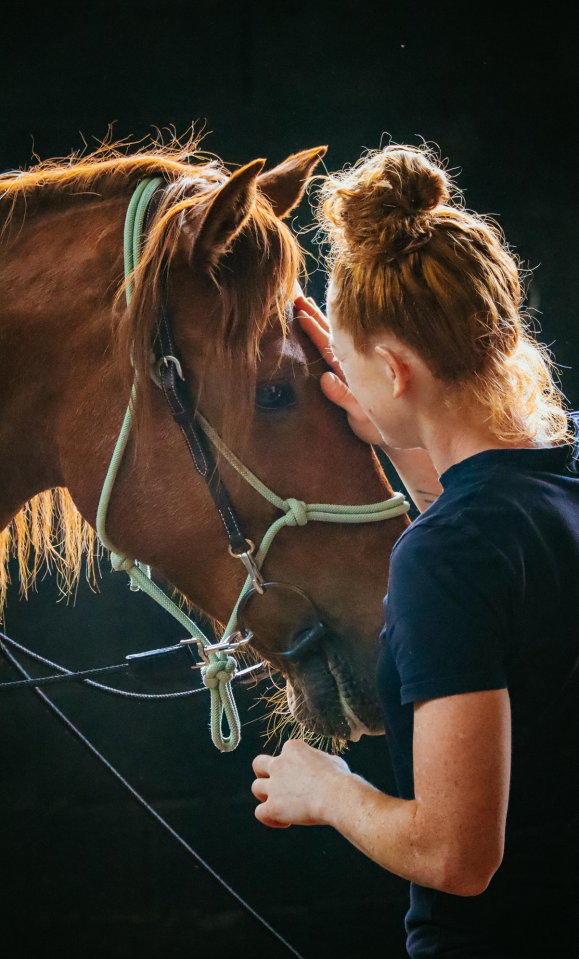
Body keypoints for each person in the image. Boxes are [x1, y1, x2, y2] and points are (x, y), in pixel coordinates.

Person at [251, 145, 579, 957]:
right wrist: (404, 445)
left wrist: (330, 792)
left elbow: (454, 855)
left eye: (355, 367)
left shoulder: (444, 557)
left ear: (395, 370)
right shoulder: (551, 491)